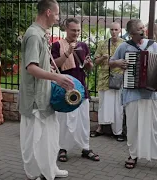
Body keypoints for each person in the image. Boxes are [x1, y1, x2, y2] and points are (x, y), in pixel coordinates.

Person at [109, 19, 157, 176]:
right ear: (132, 33)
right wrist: (118, 62)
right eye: (140, 28)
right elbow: (111, 62)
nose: (144, 30)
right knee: (133, 126)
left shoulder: (152, 45)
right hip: (132, 93)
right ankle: (133, 155)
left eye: (143, 27)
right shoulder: (124, 46)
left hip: (151, 93)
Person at [18, 0, 74, 179]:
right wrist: (57, 77)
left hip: (44, 95)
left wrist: (51, 71)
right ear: (48, 12)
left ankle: (50, 167)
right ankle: (34, 173)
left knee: (49, 136)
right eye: (57, 14)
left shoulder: (41, 33)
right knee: (35, 139)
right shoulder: (34, 35)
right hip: (35, 98)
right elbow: (31, 68)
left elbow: (41, 65)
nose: (58, 18)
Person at [51, 18, 100, 162]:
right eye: (73, 30)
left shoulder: (83, 46)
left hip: (81, 88)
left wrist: (88, 65)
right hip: (64, 89)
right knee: (64, 121)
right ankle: (62, 148)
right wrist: (67, 53)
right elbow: (54, 65)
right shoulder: (56, 45)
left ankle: (85, 148)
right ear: (66, 29)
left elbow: (86, 69)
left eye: (78, 30)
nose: (76, 33)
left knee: (83, 121)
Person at [90, 22, 125, 141]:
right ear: (109, 30)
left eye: (116, 29)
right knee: (103, 105)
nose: (114, 32)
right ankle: (100, 128)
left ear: (120, 30)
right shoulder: (103, 44)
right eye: (112, 29)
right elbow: (95, 62)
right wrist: (103, 58)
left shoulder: (124, 44)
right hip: (104, 79)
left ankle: (118, 131)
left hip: (118, 79)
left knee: (118, 107)